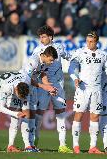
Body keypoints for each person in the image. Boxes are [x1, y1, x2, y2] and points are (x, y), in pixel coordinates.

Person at [68, 31, 107, 154]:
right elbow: (71, 68)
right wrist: (75, 78)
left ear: (96, 42)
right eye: (87, 41)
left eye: (91, 41)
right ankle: (76, 146)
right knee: (78, 114)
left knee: (95, 116)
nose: (89, 43)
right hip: (83, 88)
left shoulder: (102, 54)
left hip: (97, 89)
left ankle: (93, 147)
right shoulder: (80, 52)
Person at [31, 25, 72, 153]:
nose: (41, 39)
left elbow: (69, 56)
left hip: (58, 84)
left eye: (43, 37)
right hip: (43, 85)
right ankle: (33, 143)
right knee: (39, 114)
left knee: (61, 113)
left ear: (51, 37)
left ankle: (63, 145)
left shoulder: (59, 47)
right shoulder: (37, 50)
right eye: (40, 37)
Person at [20, 45, 59, 150]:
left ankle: (31, 145)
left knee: (33, 116)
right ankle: (20, 145)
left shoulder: (44, 63)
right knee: (25, 116)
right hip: (22, 88)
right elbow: (26, 79)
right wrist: (44, 86)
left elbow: (43, 74)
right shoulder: (34, 61)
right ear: (45, 55)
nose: (51, 63)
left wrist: (49, 87)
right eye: (50, 60)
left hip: (32, 89)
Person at [0, 72, 37, 152]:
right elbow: (1, 107)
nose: (21, 99)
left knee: (19, 115)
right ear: (16, 90)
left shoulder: (27, 86)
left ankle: (11, 145)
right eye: (20, 97)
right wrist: (15, 114)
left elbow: (26, 114)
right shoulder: (7, 88)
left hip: (15, 84)